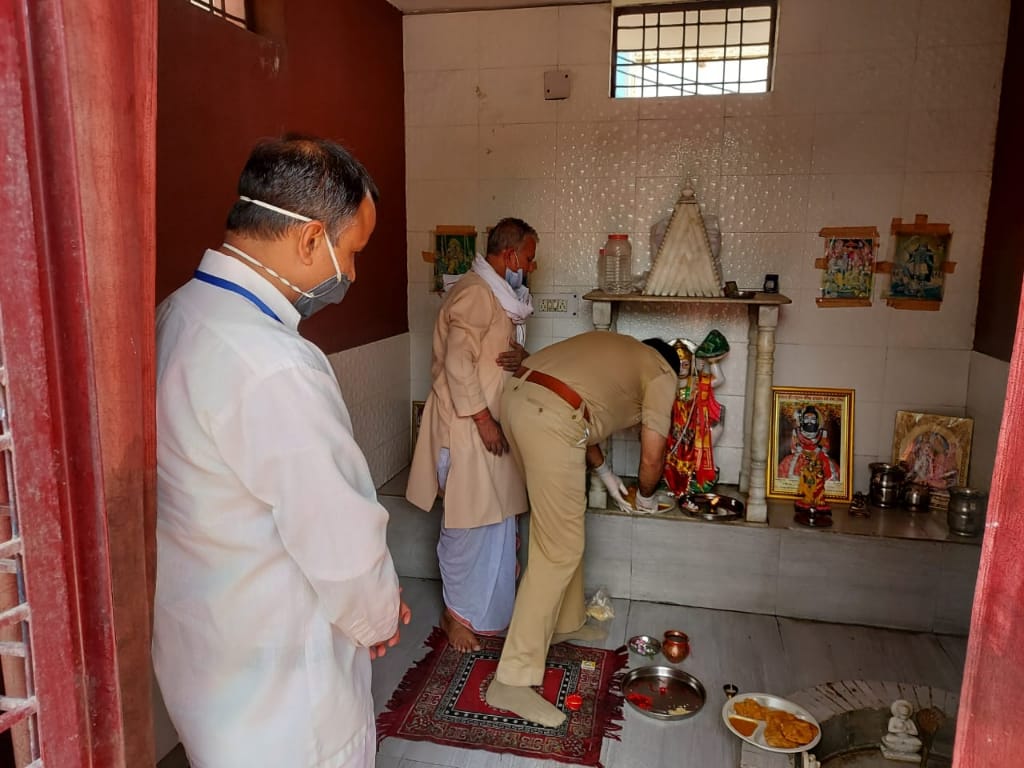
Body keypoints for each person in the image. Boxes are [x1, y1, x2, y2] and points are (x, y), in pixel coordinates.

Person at [154, 135, 409, 768]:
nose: (350, 274)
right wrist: (378, 617)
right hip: (286, 692)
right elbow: (339, 535)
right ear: (308, 240)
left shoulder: (175, 317)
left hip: (208, 659)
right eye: (352, 252)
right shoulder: (275, 365)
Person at [484, 332, 680, 727]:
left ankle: (565, 621)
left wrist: (607, 479)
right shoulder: (662, 373)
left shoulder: (616, 349)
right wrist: (644, 498)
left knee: (557, 530)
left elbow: (579, 409)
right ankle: (511, 679)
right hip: (550, 418)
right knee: (560, 547)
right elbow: (653, 454)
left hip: (518, 401)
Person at [406, 218, 538, 652]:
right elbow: (458, 366)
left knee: (495, 520)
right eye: (530, 258)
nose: (532, 267)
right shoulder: (475, 294)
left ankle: (487, 611)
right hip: (466, 430)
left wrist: (523, 358)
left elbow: (491, 359)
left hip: (492, 428)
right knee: (466, 522)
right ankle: (455, 615)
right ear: (511, 255)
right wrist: (483, 420)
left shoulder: (501, 298)